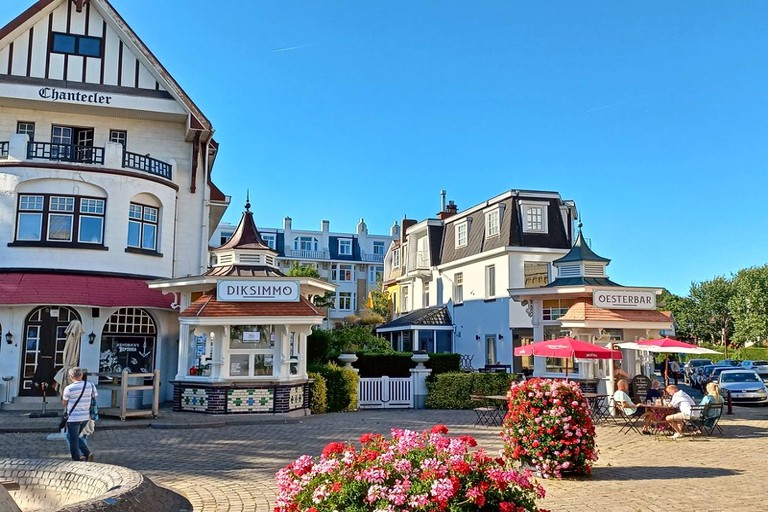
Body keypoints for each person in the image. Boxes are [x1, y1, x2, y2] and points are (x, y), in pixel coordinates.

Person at [62, 367, 97, 462]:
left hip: (73, 418)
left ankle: (78, 458)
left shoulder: (69, 388)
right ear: (81, 375)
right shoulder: (90, 385)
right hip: (85, 417)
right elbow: (94, 398)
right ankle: (86, 454)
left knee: (73, 439)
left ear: (71, 376)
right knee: (74, 436)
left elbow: (64, 403)